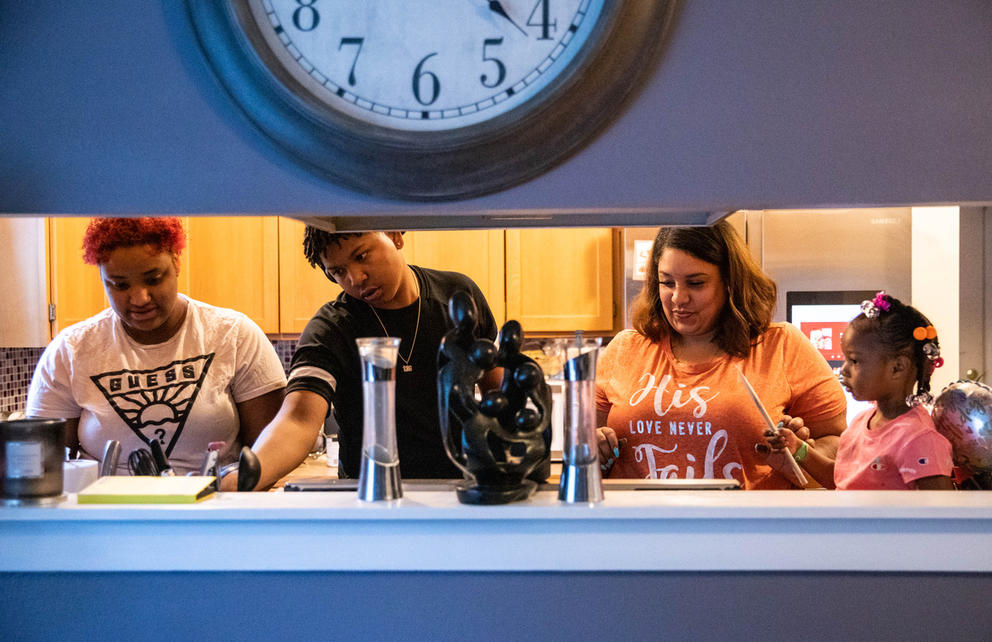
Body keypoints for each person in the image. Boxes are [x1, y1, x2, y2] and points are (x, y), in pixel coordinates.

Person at [595, 221, 847, 489]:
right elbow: (589, 447)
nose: (678, 298)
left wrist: (800, 452)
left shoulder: (781, 345)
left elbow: (839, 445)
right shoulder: (625, 348)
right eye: (667, 282)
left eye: (696, 283)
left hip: (745, 526)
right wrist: (596, 449)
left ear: (730, 282)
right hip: (637, 526)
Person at [26, 217, 287, 475]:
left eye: (153, 279)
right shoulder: (70, 350)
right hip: (105, 511)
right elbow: (43, 464)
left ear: (176, 262)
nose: (140, 298)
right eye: (120, 285)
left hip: (213, 509)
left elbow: (267, 455)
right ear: (102, 278)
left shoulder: (234, 334)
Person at [246, 229, 500, 489]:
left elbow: (498, 393)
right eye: (338, 272)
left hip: (459, 490)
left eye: (362, 255)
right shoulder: (332, 328)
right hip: (368, 495)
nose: (355, 279)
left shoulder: (457, 296)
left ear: (394, 235)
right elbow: (297, 421)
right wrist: (244, 479)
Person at [765, 292, 954, 490]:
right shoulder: (860, 423)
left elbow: (941, 513)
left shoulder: (919, 439)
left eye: (854, 361)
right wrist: (797, 448)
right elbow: (839, 478)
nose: (844, 369)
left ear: (898, 367)